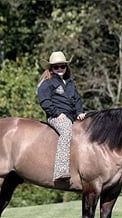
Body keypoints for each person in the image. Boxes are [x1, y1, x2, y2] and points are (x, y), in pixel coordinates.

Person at [37, 51, 86, 182]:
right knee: (66, 131)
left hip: (72, 116)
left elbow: (77, 99)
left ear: (66, 67)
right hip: (56, 117)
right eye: (56, 67)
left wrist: (80, 112)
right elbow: (44, 102)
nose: (59, 69)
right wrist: (57, 114)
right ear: (51, 68)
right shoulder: (47, 83)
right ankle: (60, 171)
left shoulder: (70, 83)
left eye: (62, 66)